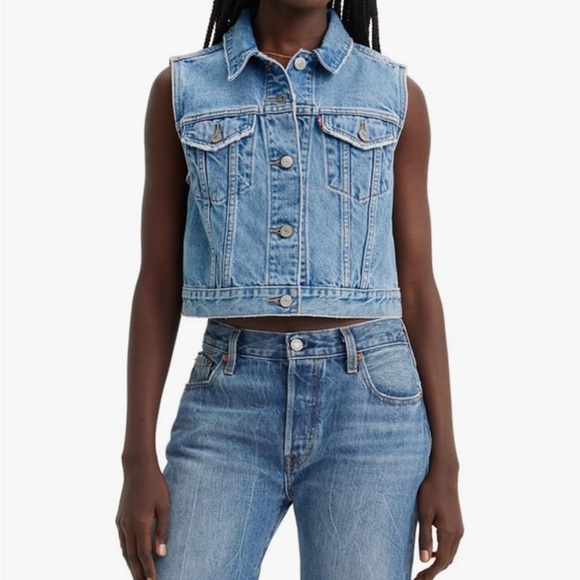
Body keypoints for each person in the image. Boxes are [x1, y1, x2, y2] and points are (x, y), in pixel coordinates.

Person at [115, 1, 464, 579]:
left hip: (371, 411)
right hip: (229, 404)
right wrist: (136, 459)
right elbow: (156, 282)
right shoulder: (183, 90)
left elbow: (419, 288)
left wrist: (446, 464)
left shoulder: (394, 95)